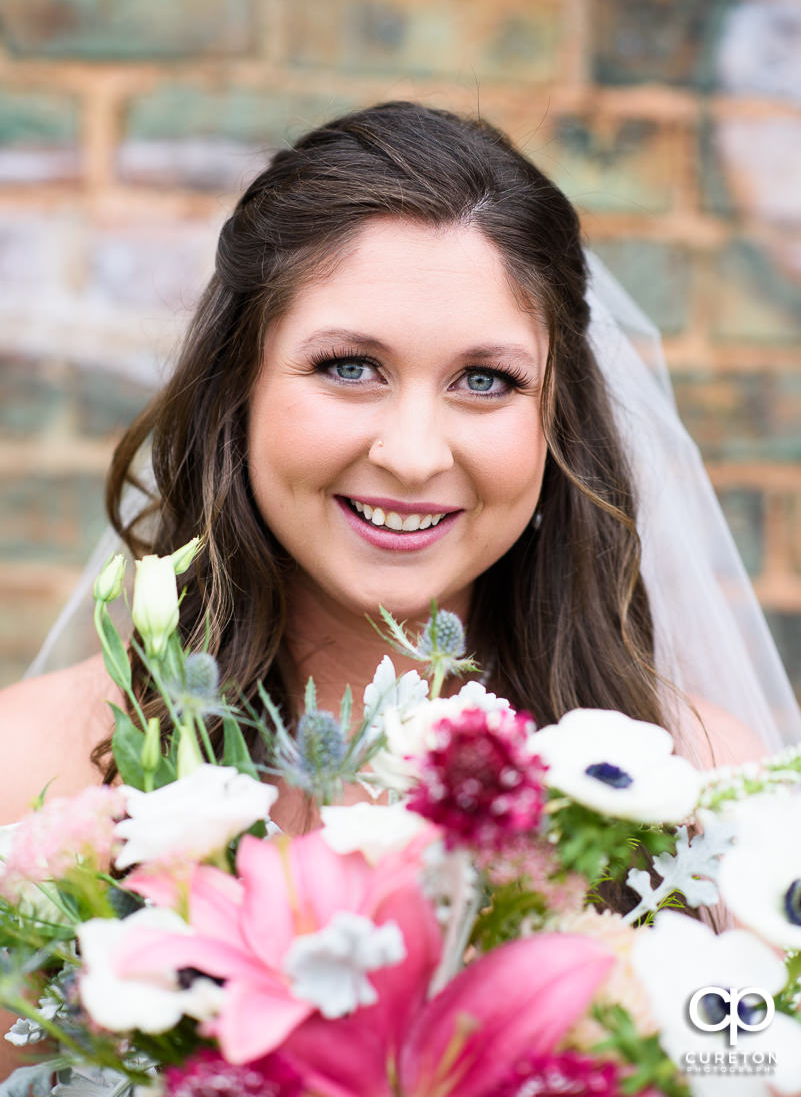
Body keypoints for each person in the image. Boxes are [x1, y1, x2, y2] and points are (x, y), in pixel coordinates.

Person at [0, 103, 798, 1064]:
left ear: (556, 421)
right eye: (349, 367)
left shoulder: (702, 786)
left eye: (485, 381)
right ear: (236, 391)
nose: (414, 455)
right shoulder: (30, 779)